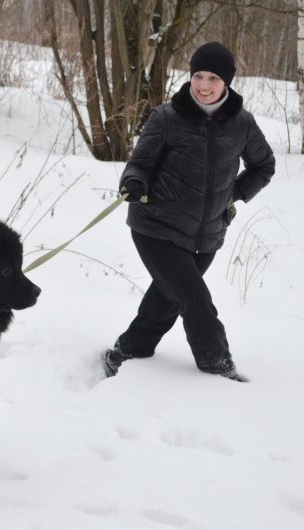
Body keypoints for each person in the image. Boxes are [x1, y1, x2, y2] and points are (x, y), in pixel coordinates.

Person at [102, 42, 275, 382]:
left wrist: (233, 194)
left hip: (207, 235)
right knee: (196, 300)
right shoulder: (167, 117)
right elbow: (140, 164)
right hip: (156, 227)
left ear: (227, 82)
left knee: (168, 297)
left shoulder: (242, 123)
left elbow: (264, 165)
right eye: (198, 76)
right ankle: (217, 365)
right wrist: (134, 182)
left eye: (213, 78)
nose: (204, 85)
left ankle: (128, 350)